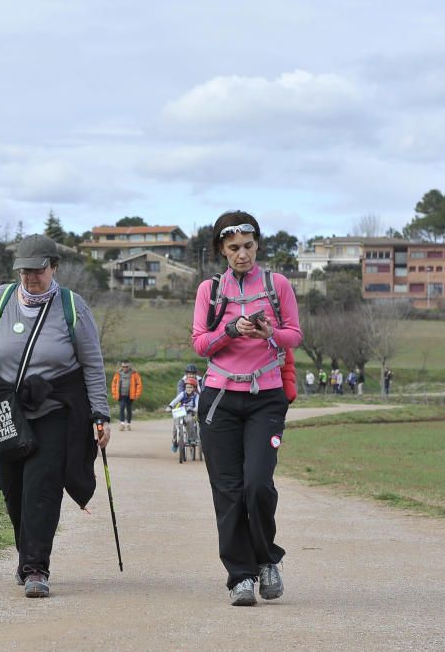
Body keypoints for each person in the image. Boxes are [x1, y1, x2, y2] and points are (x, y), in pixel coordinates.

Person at [0, 233, 111, 599]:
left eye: (37, 270)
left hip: (54, 411)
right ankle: (28, 555)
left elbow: (92, 364)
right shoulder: (1, 299)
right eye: (23, 271)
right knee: (13, 488)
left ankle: (36, 567)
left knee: (43, 487)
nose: (29, 278)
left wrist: (100, 413)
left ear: (54, 267)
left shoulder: (72, 306)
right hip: (6, 409)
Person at [191, 210, 302, 607]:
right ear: (221, 250)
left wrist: (270, 332)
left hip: (265, 397)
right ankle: (240, 576)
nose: (242, 255)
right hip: (219, 397)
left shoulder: (278, 285)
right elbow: (200, 343)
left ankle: (267, 559)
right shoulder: (210, 290)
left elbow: (295, 335)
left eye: (248, 246)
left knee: (257, 484)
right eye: (234, 248)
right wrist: (229, 331)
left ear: (258, 246)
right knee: (228, 491)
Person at [168, 376, 200, 452]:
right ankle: (175, 441)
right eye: (187, 387)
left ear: (194, 388)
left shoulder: (196, 396)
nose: (188, 389)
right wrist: (170, 406)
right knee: (176, 425)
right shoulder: (182, 394)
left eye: (190, 387)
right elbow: (176, 400)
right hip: (181, 411)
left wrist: (194, 409)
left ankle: (191, 438)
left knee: (190, 421)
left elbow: (197, 405)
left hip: (190, 412)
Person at [111, 360, 143, 430]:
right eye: (123, 367)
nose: (125, 368)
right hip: (121, 395)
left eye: (126, 367)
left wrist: (137, 395)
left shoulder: (134, 374)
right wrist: (114, 394)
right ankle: (122, 424)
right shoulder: (118, 374)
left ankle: (128, 424)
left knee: (129, 409)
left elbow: (139, 384)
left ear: (129, 366)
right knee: (122, 407)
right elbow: (114, 384)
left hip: (130, 395)